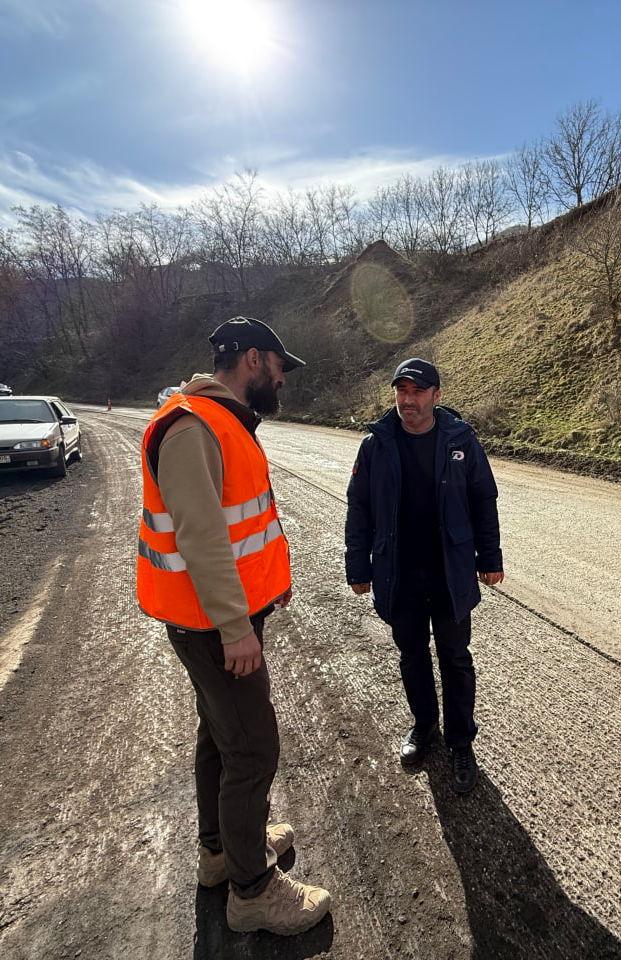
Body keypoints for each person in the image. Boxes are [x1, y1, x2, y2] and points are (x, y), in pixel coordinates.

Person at [136, 316, 332, 936]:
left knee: (221, 736)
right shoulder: (193, 426)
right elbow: (201, 535)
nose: (283, 380)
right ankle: (253, 890)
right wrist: (233, 627)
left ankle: (221, 852)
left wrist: (266, 590)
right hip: (212, 624)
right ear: (253, 360)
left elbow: (242, 525)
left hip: (219, 618)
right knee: (251, 748)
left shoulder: (219, 422)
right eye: (279, 368)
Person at [344, 358, 503, 795]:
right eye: (402, 391)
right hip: (399, 574)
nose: (408, 400)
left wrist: (491, 556)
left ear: (436, 394)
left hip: (449, 572)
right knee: (412, 655)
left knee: (455, 658)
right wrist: (358, 565)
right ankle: (424, 727)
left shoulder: (461, 440)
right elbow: (358, 507)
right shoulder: (376, 445)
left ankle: (460, 742)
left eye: (417, 391)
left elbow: (483, 500)